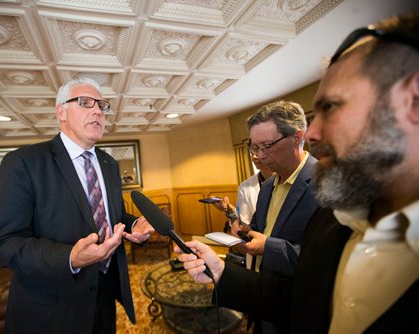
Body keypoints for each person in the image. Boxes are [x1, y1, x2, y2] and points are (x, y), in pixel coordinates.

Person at [176, 11, 419, 333]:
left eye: (331, 107)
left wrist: (268, 248)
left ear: (412, 100)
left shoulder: (329, 198)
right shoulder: (339, 219)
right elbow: (302, 300)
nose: (314, 133)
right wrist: (221, 271)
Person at [0, 77, 154, 334]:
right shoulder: (23, 162)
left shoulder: (109, 163)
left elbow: (112, 213)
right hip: (53, 308)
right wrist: (70, 258)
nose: (97, 110)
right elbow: (2, 244)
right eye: (85, 103)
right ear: (61, 111)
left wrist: (133, 225)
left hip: (106, 291)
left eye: (102, 105)